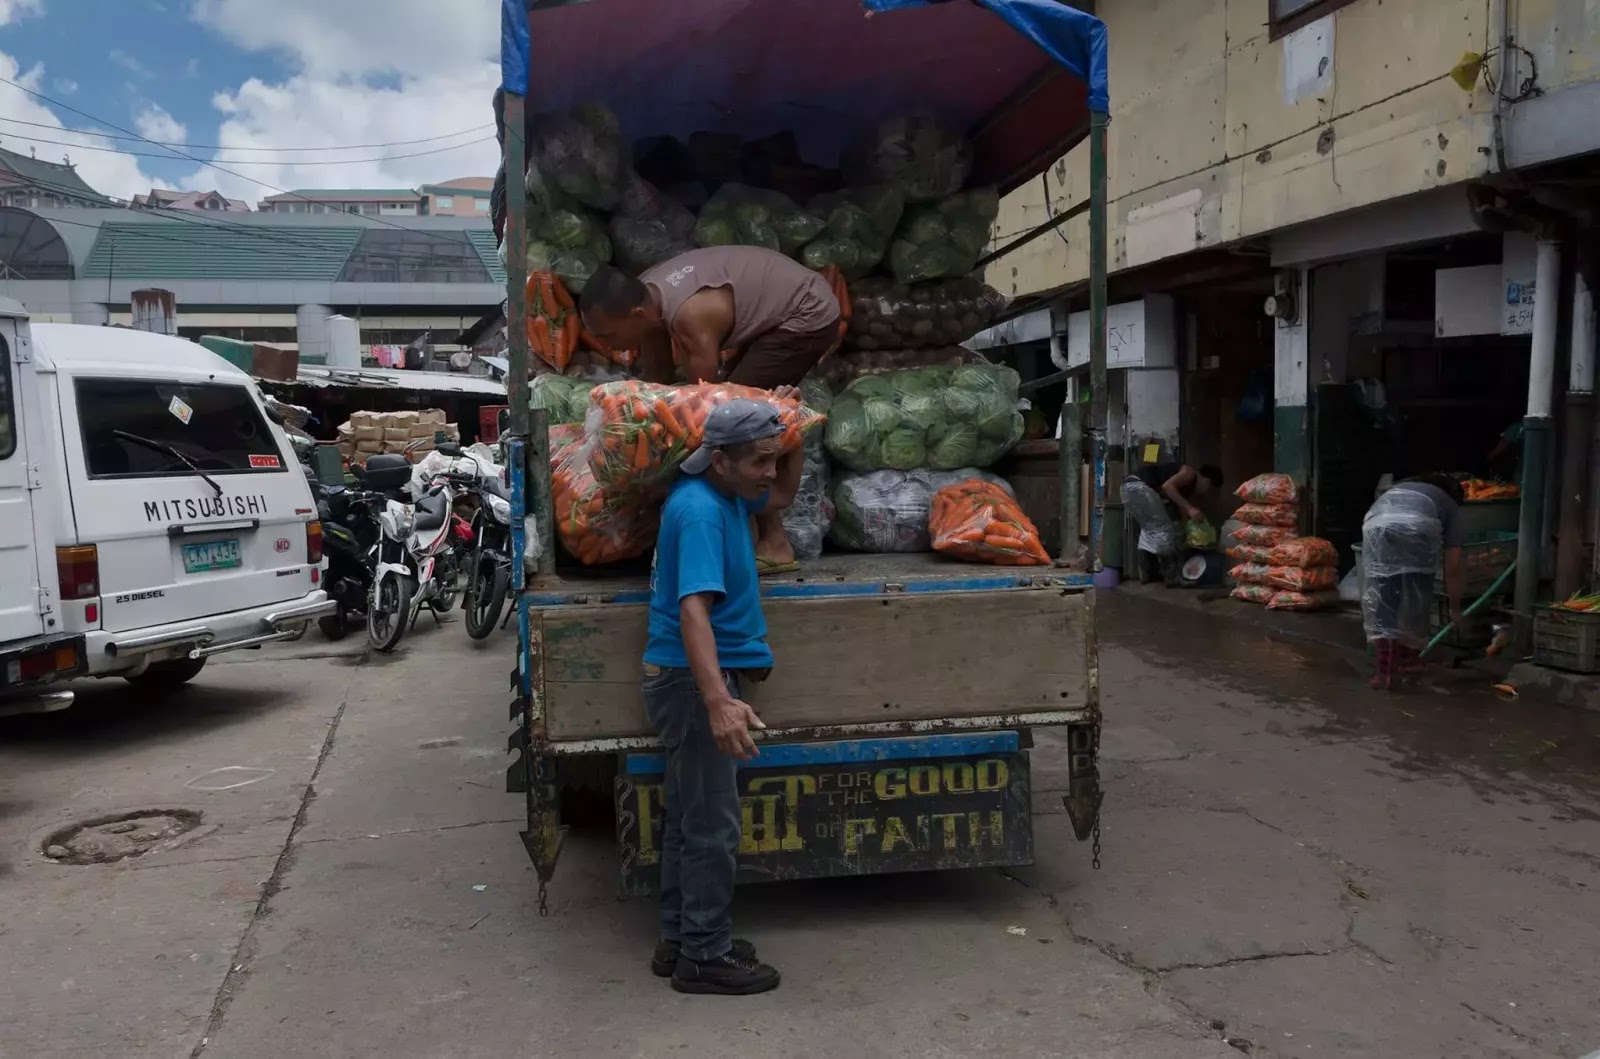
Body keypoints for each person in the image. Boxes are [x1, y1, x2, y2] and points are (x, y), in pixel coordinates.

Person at [641, 398, 800, 996]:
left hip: (685, 680)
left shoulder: (728, 494)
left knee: (687, 817)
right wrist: (717, 700)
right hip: (691, 681)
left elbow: (780, 496)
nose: (769, 471)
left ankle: (682, 938)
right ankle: (705, 955)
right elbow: (692, 612)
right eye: (760, 460)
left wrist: (798, 434)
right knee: (713, 825)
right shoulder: (701, 513)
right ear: (719, 459)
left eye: (773, 458)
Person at [578, 246, 841, 573]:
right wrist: (611, 426)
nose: (607, 345)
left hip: (807, 311)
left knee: (739, 424)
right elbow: (656, 377)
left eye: (608, 335)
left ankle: (775, 543)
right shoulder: (649, 300)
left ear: (636, 316)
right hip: (776, 309)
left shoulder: (690, 318)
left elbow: (708, 412)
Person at [1360, 473, 1465, 690]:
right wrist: (1456, 608)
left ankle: (1384, 671)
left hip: (1376, 526)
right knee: (1417, 594)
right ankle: (1407, 661)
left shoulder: (1399, 489)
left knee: (1385, 592)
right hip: (1418, 527)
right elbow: (1453, 566)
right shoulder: (1450, 505)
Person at [1120, 461, 1224, 584]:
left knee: (1149, 528)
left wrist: (1187, 528)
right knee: (1164, 529)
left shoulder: (1186, 489)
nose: (1205, 492)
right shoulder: (1189, 473)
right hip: (1138, 487)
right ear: (1207, 481)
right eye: (1208, 489)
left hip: (1127, 488)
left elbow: (1180, 507)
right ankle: (1172, 576)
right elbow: (1168, 486)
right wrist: (1190, 508)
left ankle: (1147, 573)